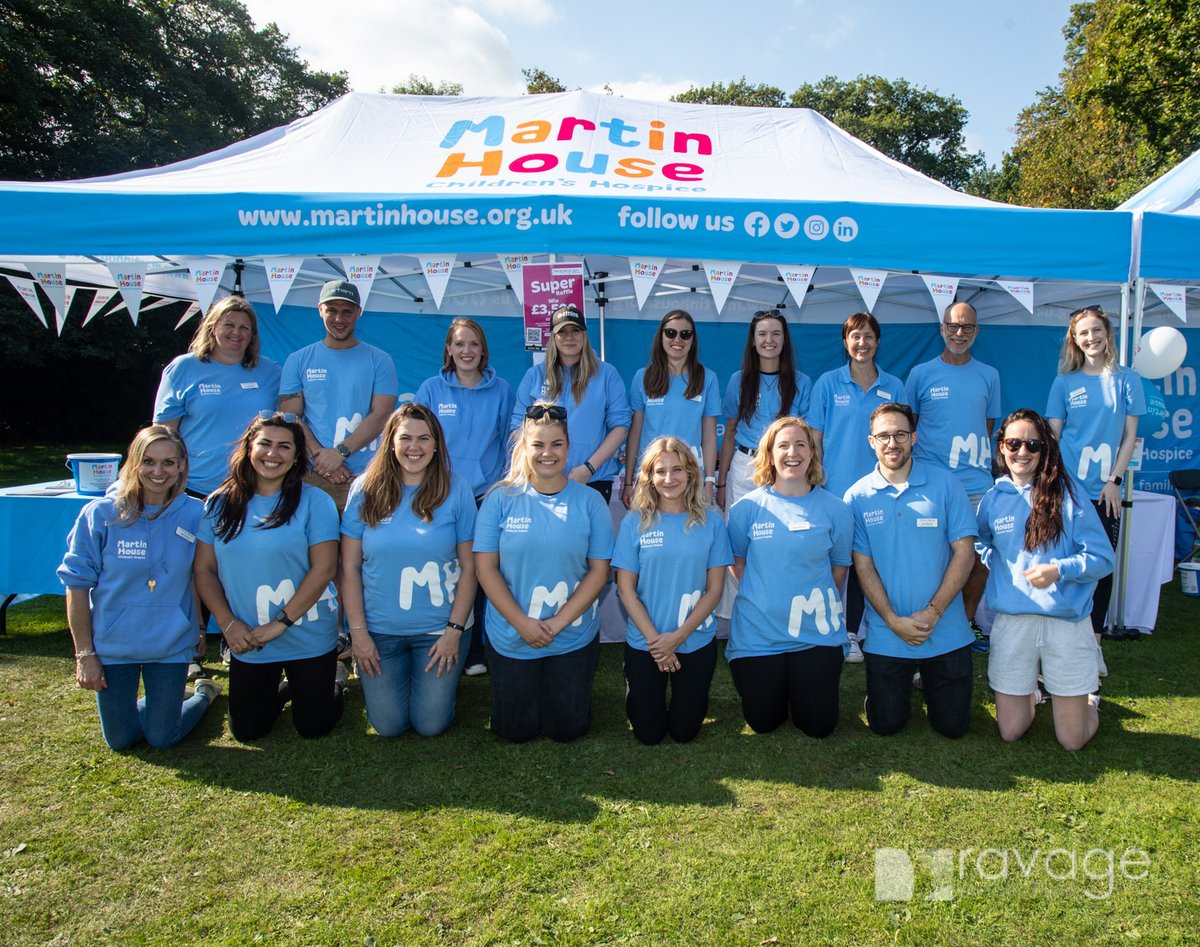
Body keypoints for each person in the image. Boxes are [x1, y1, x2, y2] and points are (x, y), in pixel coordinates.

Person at [58, 425, 219, 750]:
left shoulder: (195, 514)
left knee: (162, 737)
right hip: (114, 646)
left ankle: (203, 694)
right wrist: (85, 655)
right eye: (148, 461)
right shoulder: (101, 514)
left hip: (170, 645)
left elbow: (195, 575)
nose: (158, 472)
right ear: (134, 462)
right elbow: (76, 587)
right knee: (121, 740)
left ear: (182, 466)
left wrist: (199, 628)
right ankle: (163, 704)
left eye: (169, 463)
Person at [194, 411, 345, 741]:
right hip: (249, 637)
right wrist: (229, 624)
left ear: (296, 457)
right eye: (265, 444)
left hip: (305, 632)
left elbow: (324, 569)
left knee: (314, 726)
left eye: (284, 447)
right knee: (247, 730)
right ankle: (290, 686)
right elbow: (204, 571)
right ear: (249, 448)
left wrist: (280, 624)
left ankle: (334, 681)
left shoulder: (315, 502)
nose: (273, 454)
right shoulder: (218, 504)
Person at [474, 402, 614, 743]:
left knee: (567, 730)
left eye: (556, 444)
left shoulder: (590, 501)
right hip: (512, 635)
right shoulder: (500, 499)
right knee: (515, 732)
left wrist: (557, 623)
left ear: (568, 447)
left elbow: (599, 572)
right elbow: (485, 568)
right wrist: (522, 623)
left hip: (571, 635)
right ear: (524, 447)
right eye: (538, 444)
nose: (547, 453)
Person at [977, 410, 1113, 751]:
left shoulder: (1069, 494)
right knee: (1010, 731)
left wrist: (1059, 570)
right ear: (1002, 447)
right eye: (1014, 443)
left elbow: (1103, 558)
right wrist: (998, 564)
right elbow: (981, 542)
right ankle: (1034, 692)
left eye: (1032, 445)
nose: (1022, 452)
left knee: (1072, 741)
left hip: (1065, 623)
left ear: (1045, 450)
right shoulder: (993, 498)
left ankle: (1088, 702)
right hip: (1012, 622)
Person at [340, 403, 477, 737]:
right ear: (390, 442)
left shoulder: (456, 489)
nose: (414, 447)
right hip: (379, 632)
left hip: (439, 631)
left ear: (436, 444)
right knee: (388, 726)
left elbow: (471, 567)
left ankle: (433, 683)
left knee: (430, 724)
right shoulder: (364, 489)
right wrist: (358, 634)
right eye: (405, 438)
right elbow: (348, 566)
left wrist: (453, 632)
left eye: (424, 438)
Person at [844, 403, 977, 738]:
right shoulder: (857, 497)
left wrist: (934, 612)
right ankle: (891, 691)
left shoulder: (946, 485)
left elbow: (965, 554)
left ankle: (928, 684)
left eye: (900, 434)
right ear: (871, 441)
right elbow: (864, 566)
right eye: (884, 436)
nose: (893, 443)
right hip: (888, 633)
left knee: (952, 727)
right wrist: (891, 620)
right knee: (886, 725)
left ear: (914, 437)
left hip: (945, 629)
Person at [725, 417, 851, 738]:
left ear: (812, 453)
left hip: (816, 632)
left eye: (800, 444)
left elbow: (839, 569)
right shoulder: (745, 510)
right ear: (769, 454)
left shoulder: (835, 510)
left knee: (818, 726)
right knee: (763, 722)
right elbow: (736, 563)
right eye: (782, 445)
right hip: (759, 636)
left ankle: (804, 683)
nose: (791, 452)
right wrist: (768, 596)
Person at [613, 436, 731, 744]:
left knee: (684, 732)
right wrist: (658, 643)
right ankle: (635, 683)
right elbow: (625, 590)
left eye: (677, 470)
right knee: (648, 734)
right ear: (649, 477)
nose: (669, 478)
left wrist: (677, 638)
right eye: (660, 471)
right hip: (646, 642)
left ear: (691, 473)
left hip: (694, 639)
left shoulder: (712, 523)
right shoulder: (634, 522)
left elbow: (715, 589)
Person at [416, 317, 514, 677]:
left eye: (473, 344)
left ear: (483, 350)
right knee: (447, 572)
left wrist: (501, 485)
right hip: (442, 495)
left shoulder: (502, 389)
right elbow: (419, 442)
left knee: (484, 574)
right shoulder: (431, 388)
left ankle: (476, 651)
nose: (467, 351)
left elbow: (510, 441)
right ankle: (440, 640)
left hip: (486, 496)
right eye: (460, 344)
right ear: (449, 349)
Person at [903, 300, 1000, 651]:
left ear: (977, 331)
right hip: (932, 485)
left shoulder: (989, 375)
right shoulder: (921, 374)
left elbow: (986, 426)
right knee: (933, 561)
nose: (960, 334)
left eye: (968, 327)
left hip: (976, 486)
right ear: (941, 328)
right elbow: (908, 426)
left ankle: (966, 621)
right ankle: (932, 620)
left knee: (979, 559)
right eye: (953, 326)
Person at [808, 311, 905, 663]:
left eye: (868, 336)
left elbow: (902, 441)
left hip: (880, 492)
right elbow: (815, 440)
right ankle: (835, 628)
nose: (861, 343)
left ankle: (866, 630)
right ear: (845, 342)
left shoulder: (894, 386)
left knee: (873, 563)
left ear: (878, 342)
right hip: (835, 492)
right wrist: (816, 482)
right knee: (837, 564)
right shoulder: (827, 384)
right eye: (855, 336)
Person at [1046, 306, 1145, 647]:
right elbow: (1053, 436)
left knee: (1101, 567)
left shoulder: (1127, 379)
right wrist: (1053, 482)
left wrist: (1114, 481)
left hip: (1104, 492)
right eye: (1083, 333)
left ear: (1108, 334)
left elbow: (1130, 436)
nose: (1091, 338)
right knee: (1064, 563)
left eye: (1096, 331)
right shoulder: (1064, 382)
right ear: (1074, 339)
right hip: (1067, 490)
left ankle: (1094, 642)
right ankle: (1062, 636)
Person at [279, 279, 398, 512]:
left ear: (359, 313)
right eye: (331, 310)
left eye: (347, 311)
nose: (339, 319)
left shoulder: (380, 359)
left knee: (365, 548)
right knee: (317, 547)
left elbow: (382, 414)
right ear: (320, 310)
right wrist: (321, 458)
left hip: (370, 473)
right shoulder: (298, 360)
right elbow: (290, 416)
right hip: (314, 475)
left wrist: (340, 453)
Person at [154, 295, 282, 498]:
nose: (236, 333)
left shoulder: (271, 372)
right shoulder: (184, 368)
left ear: (252, 335)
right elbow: (163, 434)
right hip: (192, 487)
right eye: (229, 325)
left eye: (244, 328)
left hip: (251, 488)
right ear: (212, 327)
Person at [511, 305, 630, 504]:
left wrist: (589, 468)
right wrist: (536, 465)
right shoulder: (535, 376)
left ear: (584, 335)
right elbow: (517, 427)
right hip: (542, 479)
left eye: (575, 330)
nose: (569, 337)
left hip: (593, 479)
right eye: (562, 332)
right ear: (553, 337)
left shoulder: (607, 374)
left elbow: (620, 426)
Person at [716, 309, 812, 511]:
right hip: (745, 468)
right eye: (762, 334)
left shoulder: (802, 382)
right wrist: (721, 483)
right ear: (753, 340)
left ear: (785, 339)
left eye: (776, 333)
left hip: (785, 466)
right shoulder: (738, 380)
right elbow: (730, 431)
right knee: (738, 535)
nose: (769, 340)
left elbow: (808, 437)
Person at [622, 310, 720, 507]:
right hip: (651, 475)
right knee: (650, 534)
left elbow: (709, 437)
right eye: (671, 333)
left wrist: (709, 481)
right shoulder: (643, 377)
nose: (678, 339)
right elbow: (635, 433)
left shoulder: (707, 378)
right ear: (661, 336)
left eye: (685, 334)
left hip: (690, 476)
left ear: (693, 340)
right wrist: (628, 481)